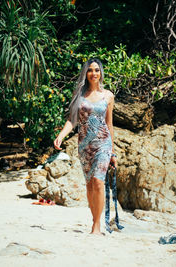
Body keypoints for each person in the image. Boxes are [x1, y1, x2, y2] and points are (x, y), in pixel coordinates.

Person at [54, 58, 117, 235]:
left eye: (97, 70)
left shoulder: (108, 96)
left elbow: (109, 123)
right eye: (90, 70)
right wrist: (61, 136)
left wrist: (113, 152)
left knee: (98, 181)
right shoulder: (79, 96)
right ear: (86, 73)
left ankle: (96, 227)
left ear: (101, 73)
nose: (94, 73)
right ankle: (94, 219)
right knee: (89, 185)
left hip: (103, 143)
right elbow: (72, 120)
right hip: (84, 145)